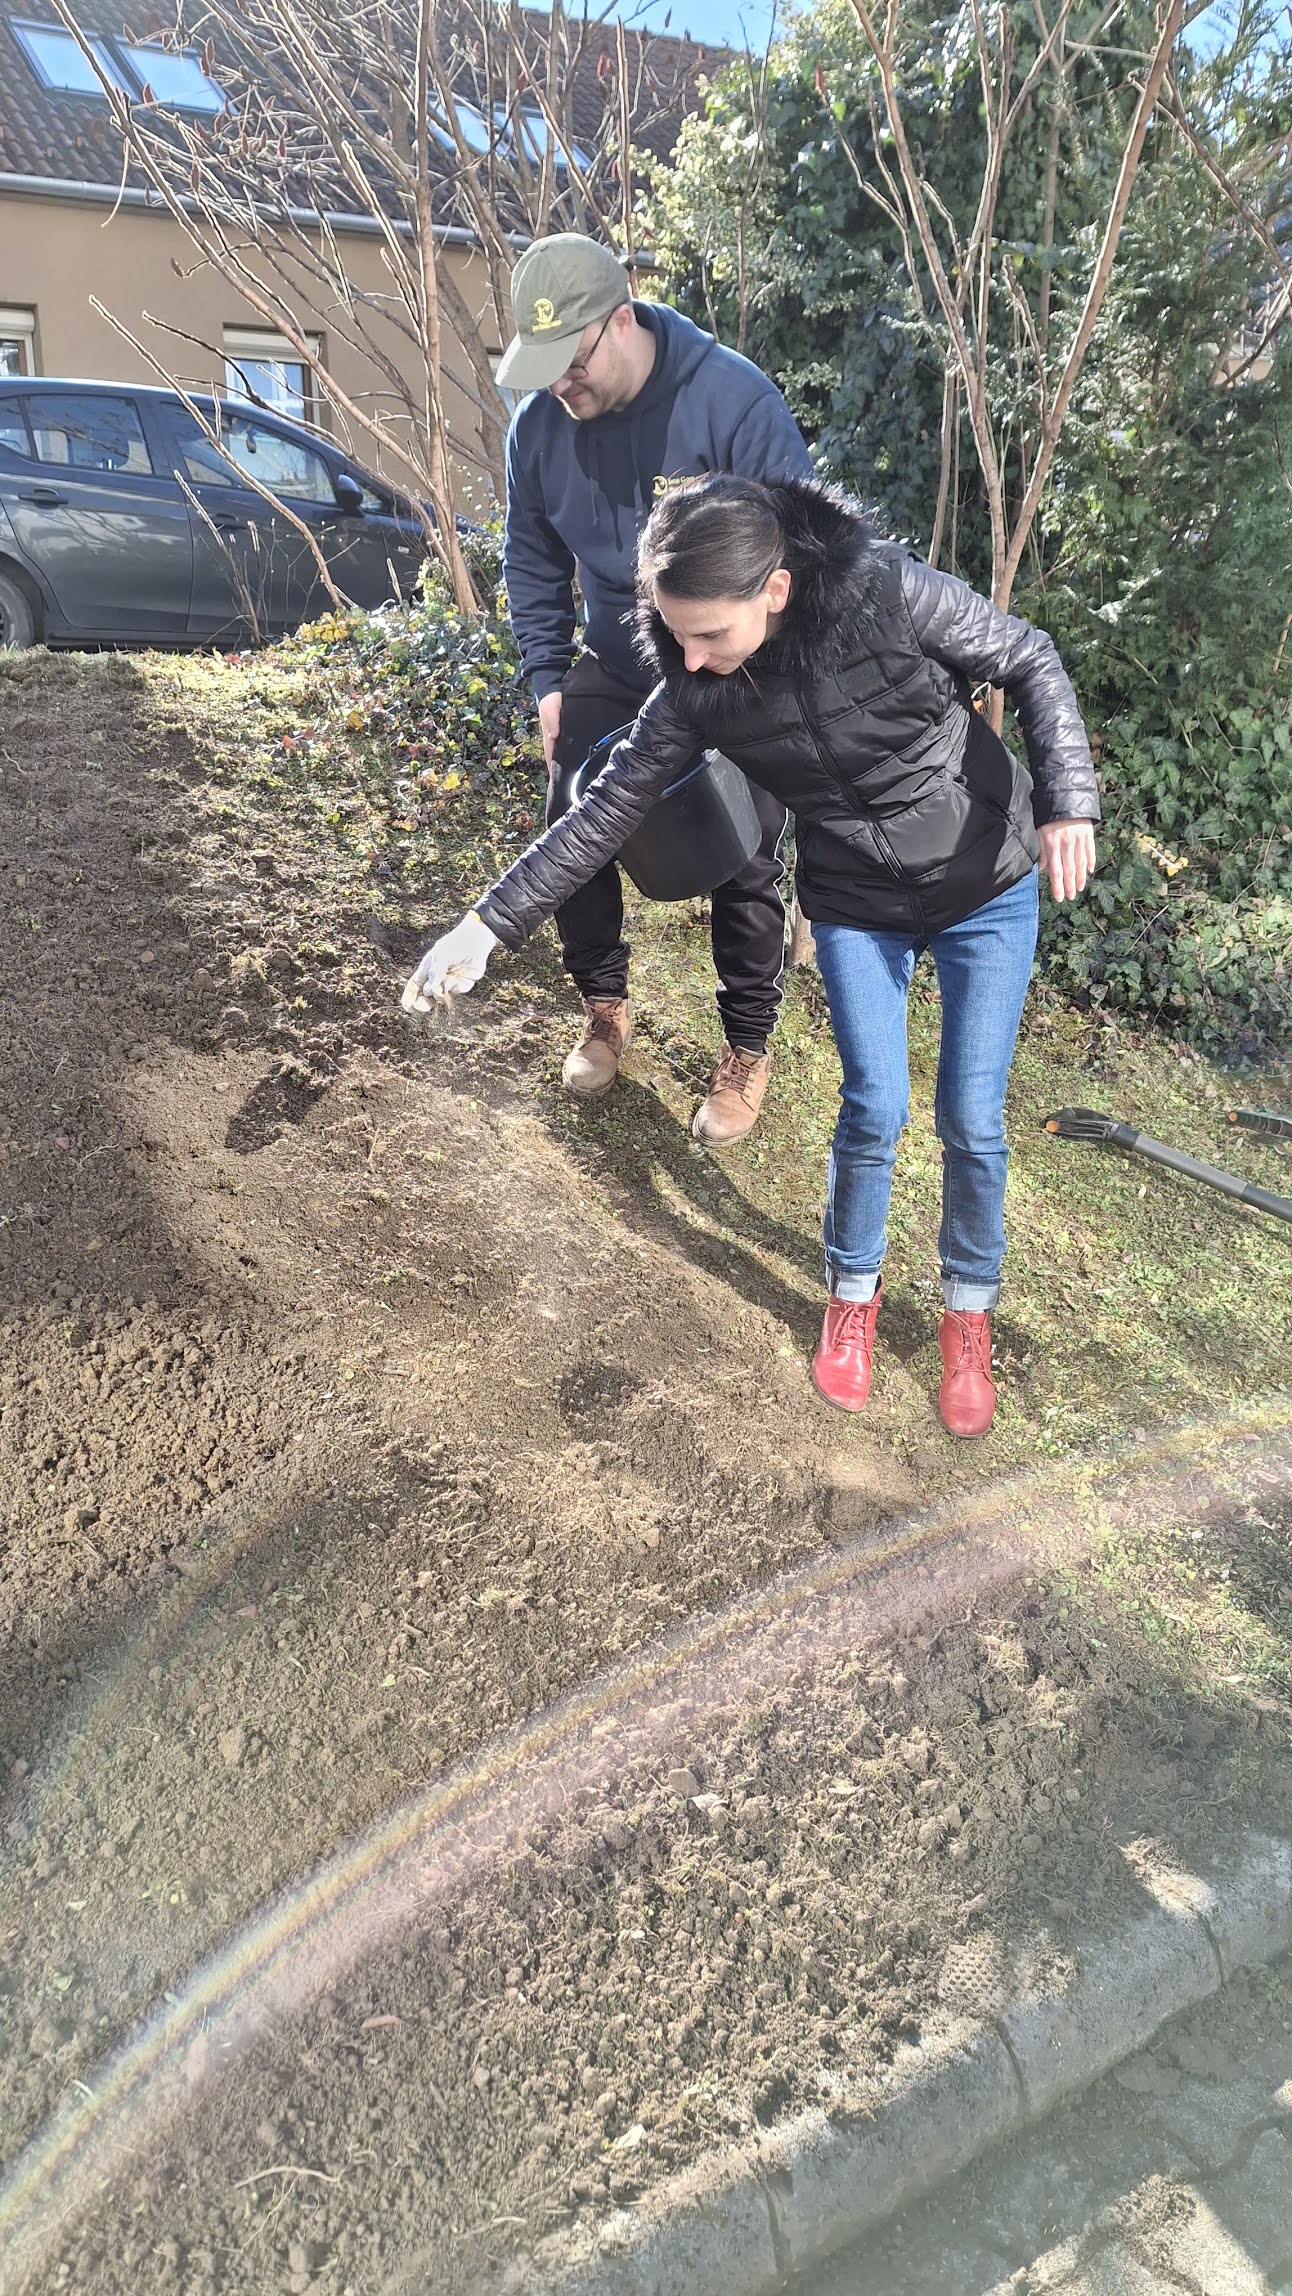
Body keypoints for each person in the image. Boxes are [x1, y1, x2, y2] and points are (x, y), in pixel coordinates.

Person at [404, 476, 1100, 1438]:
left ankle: (967, 1315)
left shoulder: (885, 591)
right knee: (875, 1107)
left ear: (774, 590)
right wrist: (485, 926)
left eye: (708, 634)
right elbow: (603, 813)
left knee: (972, 1118)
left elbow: (1028, 655)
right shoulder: (696, 688)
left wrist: (1068, 799)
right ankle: (851, 1296)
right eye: (674, 634)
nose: (690, 658)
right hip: (855, 899)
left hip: (987, 877)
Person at [497, 232, 815, 1145]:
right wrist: (548, 678)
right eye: (544, 369)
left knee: (744, 847)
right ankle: (603, 1009)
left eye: (573, 362)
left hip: (732, 666)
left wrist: (774, 689)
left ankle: (746, 1050)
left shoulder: (731, 402)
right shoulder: (539, 431)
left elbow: (803, 556)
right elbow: (531, 557)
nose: (562, 385)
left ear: (622, 320)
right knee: (572, 812)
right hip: (619, 656)